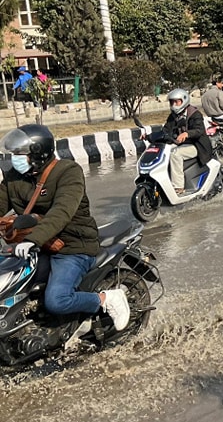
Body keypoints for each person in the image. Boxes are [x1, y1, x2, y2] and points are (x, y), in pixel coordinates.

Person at [0, 124, 129, 331]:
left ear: (38, 154)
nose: (14, 158)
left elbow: (61, 212)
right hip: (38, 247)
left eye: (19, 153)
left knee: (57, 300)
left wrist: (32, 239)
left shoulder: (68, 172)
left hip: (72, 246)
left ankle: (106, 298)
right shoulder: (15, 179)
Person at [146, 88, 213, 196]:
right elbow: (165, 131)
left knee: (175, 154)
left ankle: (178, 187)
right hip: (182, 144)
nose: (174, 104)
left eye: (177, 101)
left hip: (197, 145)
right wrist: (148, 136)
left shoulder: (195, 115)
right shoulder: (173, 116)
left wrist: (187, 134)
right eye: (172, 102)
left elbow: (199, 130)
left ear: (184, 100)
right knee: (165, 153)